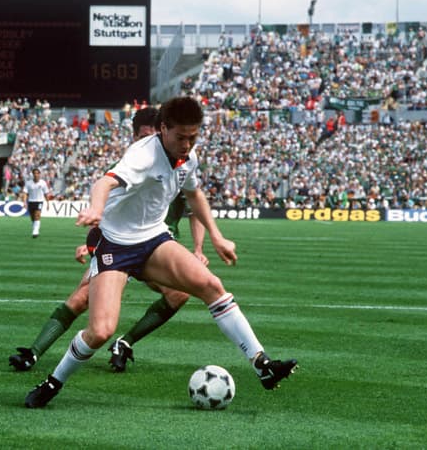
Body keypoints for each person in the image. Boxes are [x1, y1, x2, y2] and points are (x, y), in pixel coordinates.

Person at [25, 96, 298, 408]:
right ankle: (53, 382)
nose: (186, 144)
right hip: (115, 244)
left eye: (193, 137)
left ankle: (262, 365)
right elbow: (104, 182)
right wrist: (96, 209)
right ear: (163, 129)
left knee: (212, 287)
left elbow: (194, 194)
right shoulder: (143, 155)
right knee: (100, 330)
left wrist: (218, 237)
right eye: (180, 137)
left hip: (154, 239)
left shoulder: (188, 157)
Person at [9, 109, 206, 373]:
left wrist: (198, 248)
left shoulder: (180, 164)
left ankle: (124, 343)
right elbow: (107, 210)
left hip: (157, 247)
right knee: (82, 298)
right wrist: (91, 242)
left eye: (151, 136)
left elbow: (195, 210)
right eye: (142, 136)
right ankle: (33, 353)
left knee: (180, 294)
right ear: (134, 136)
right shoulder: (127, 167)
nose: (146, 142)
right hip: (118, 245)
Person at [22, 168, 49, 238]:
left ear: (39, 174)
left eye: (37, 173)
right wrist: (24, 202)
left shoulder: (43, 183)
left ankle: (35, 231)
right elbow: (25, 193)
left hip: (39, 201)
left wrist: (48, 202)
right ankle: (35, 228)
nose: (36, 175)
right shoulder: (28, 183)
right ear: (33, 174)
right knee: (32, 217)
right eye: (35, 173)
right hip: (31, 201)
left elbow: (46, 193)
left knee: (37, 215)